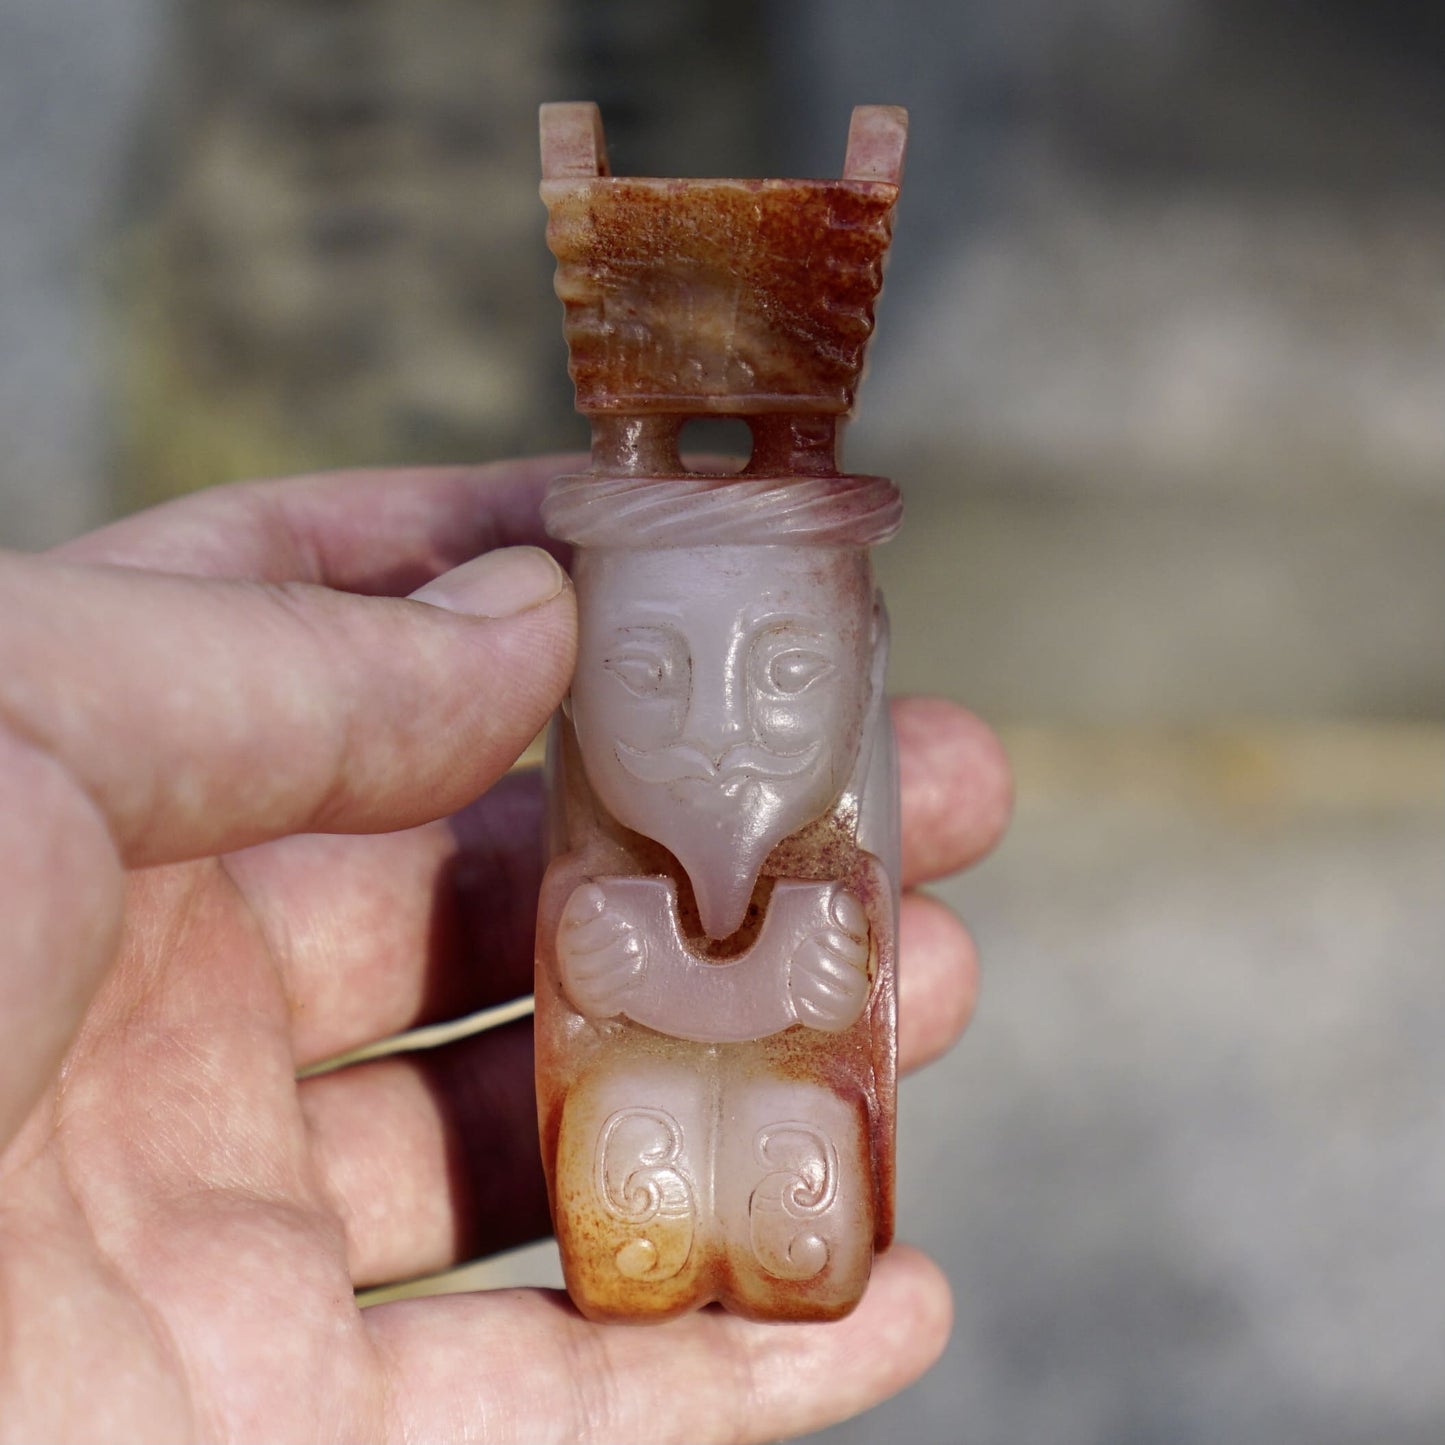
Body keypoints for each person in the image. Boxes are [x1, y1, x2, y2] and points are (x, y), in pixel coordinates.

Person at [0, 456, 1010, 1443]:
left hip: (781, 1133)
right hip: (637, 1117)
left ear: (863, 654)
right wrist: (725, 982)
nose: (717, 735)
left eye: (787, 672)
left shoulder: (828, 871)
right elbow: (612, 1009)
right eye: (648, 671)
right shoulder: (595, 883)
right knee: (629, 1127)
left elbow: (824, 1025)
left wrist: (762, 987)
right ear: (571, 678)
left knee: (795, 1134)